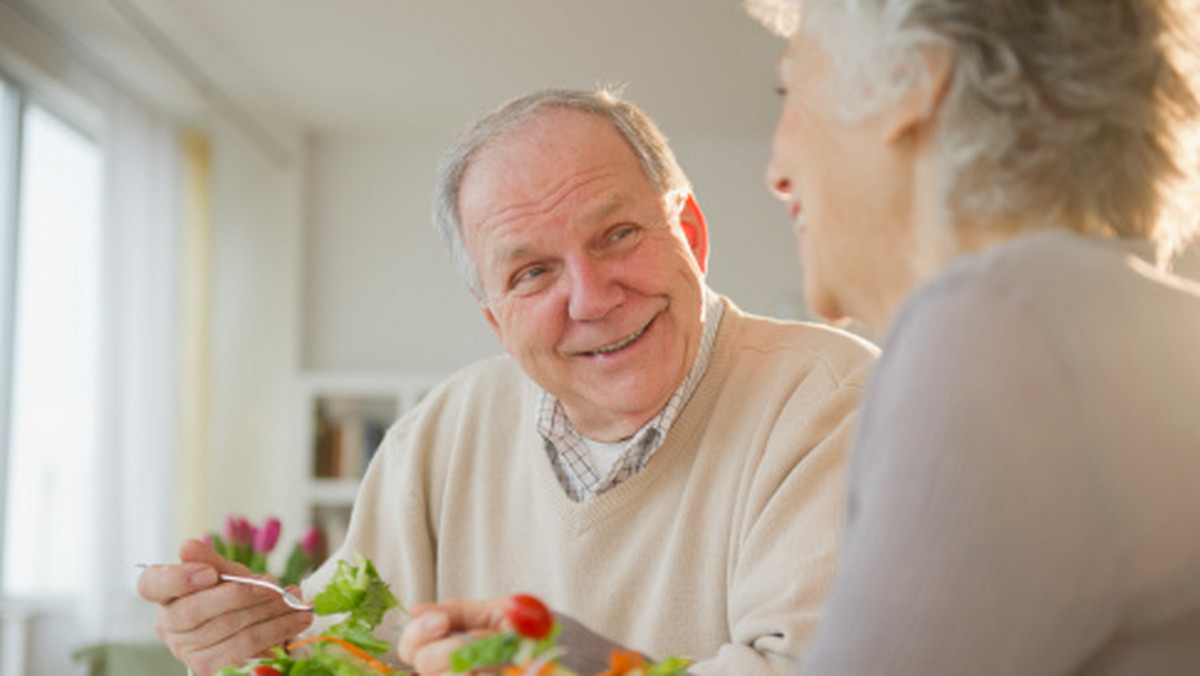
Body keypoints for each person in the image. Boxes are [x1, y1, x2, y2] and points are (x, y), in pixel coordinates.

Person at [138, 88, 879, 675]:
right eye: (532, 273)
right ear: (496, 320)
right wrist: (261, 642)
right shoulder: (440, 432)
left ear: (689, 234)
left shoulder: (835, 402)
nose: (590, 298)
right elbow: (355, 651)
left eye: (617, 235)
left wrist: (597, 672)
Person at [741, 0, 1200, 673]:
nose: (774, 170)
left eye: (790, 87)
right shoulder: (1124, 321)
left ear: (913, 80)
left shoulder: (996, 328)